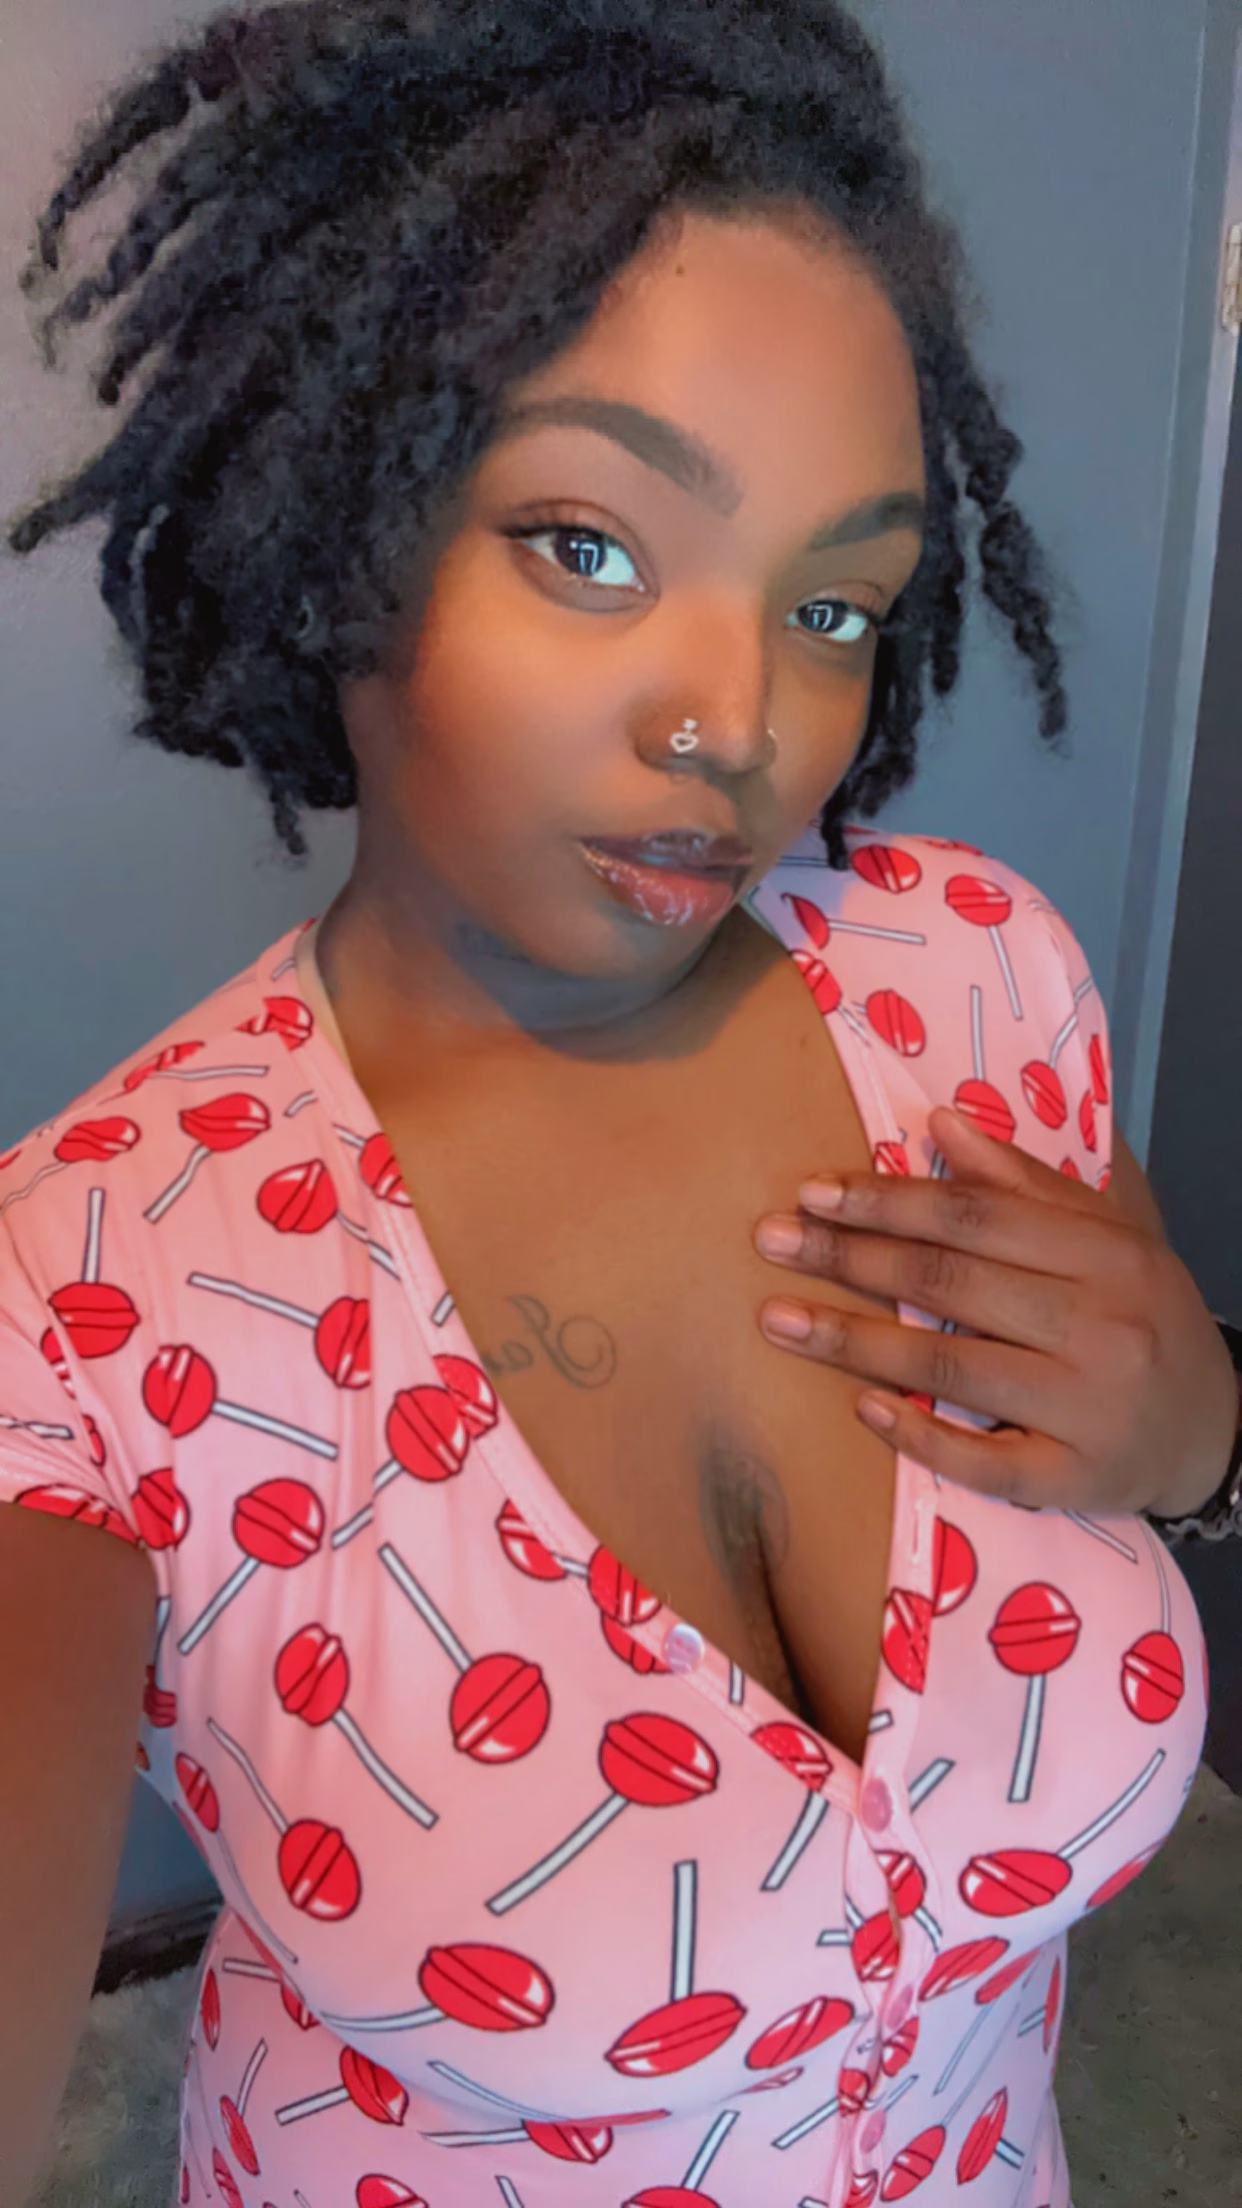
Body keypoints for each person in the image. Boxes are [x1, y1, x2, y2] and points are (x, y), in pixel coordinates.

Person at [0, 4, 1236, 2203]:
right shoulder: (95, 1284)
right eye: (588, 545)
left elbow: (1166, 1422)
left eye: (833, 602)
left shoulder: (971, 981)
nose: (740, 723)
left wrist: (1210, 1438)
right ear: (346, 524)